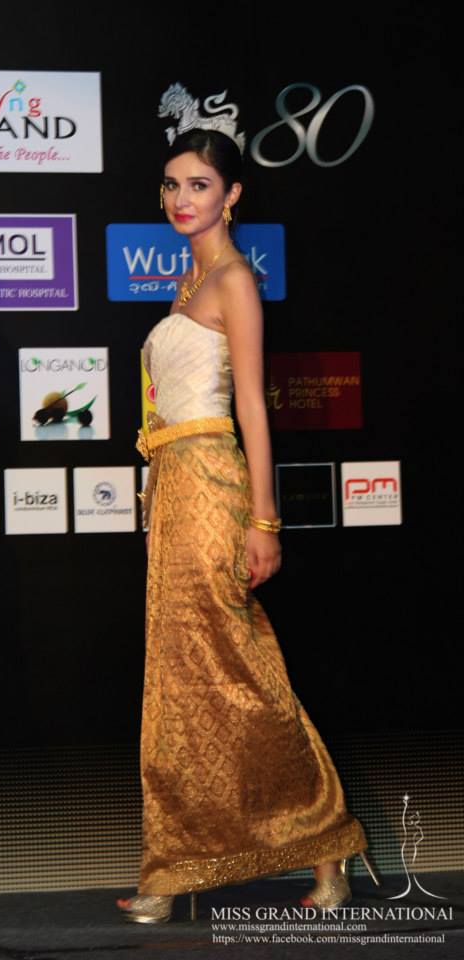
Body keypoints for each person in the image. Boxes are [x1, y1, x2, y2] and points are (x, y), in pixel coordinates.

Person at [117, 128, 378, 924]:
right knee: (179, 678)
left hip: (213, 489)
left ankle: (325, 838)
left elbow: (253, 409)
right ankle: (176, 861)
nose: (180, 199)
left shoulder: (233, 279)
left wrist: (263, 520)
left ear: (232, 196)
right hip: (173, 487)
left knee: (235, 671)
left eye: (198, 184)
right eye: (171, 184)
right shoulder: (185, 281)